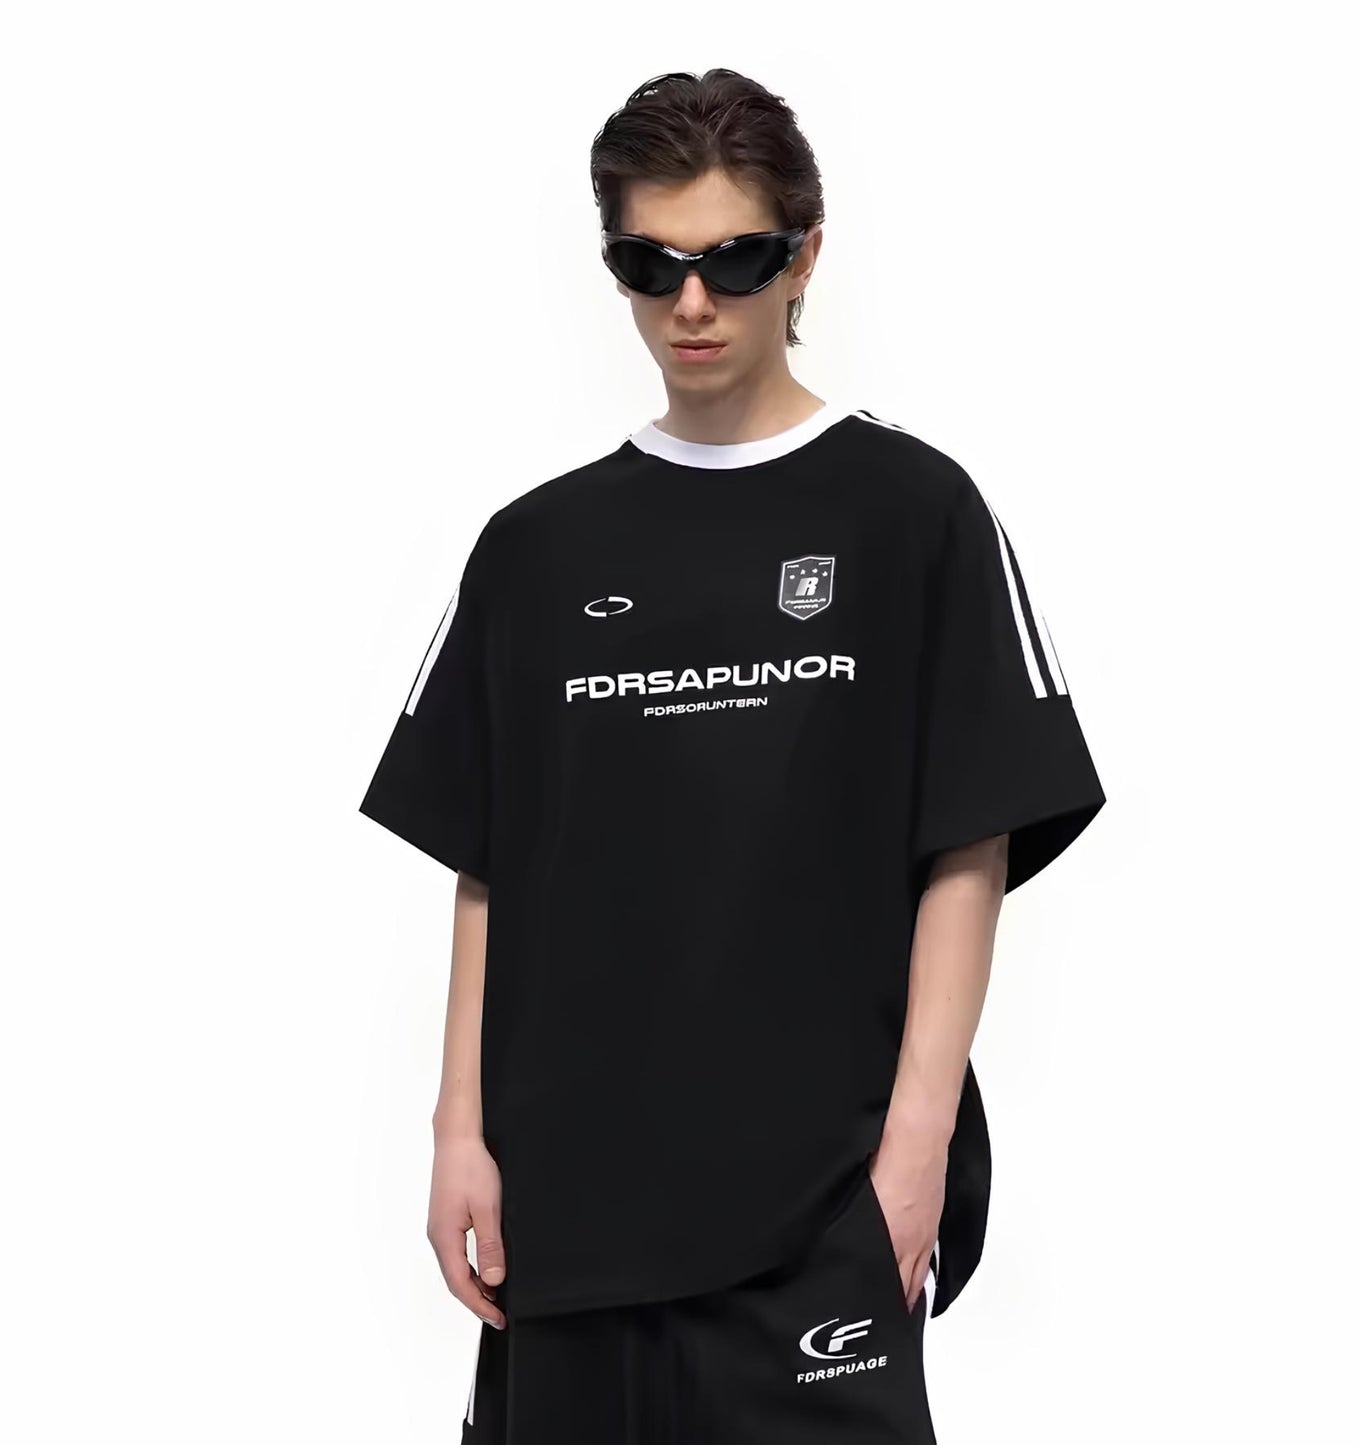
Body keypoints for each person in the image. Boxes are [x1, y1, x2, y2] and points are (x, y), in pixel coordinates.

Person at [358, 68, 1106, 1445]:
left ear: (803, 256)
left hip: (816, 1203)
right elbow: (490, 862)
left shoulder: (912, 513)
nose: (690, 303)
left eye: (733, 260)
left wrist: (916, 1150)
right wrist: (457, 1129)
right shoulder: (534, 550)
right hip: (568, 1205)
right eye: (649, 265)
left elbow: (971, 841)